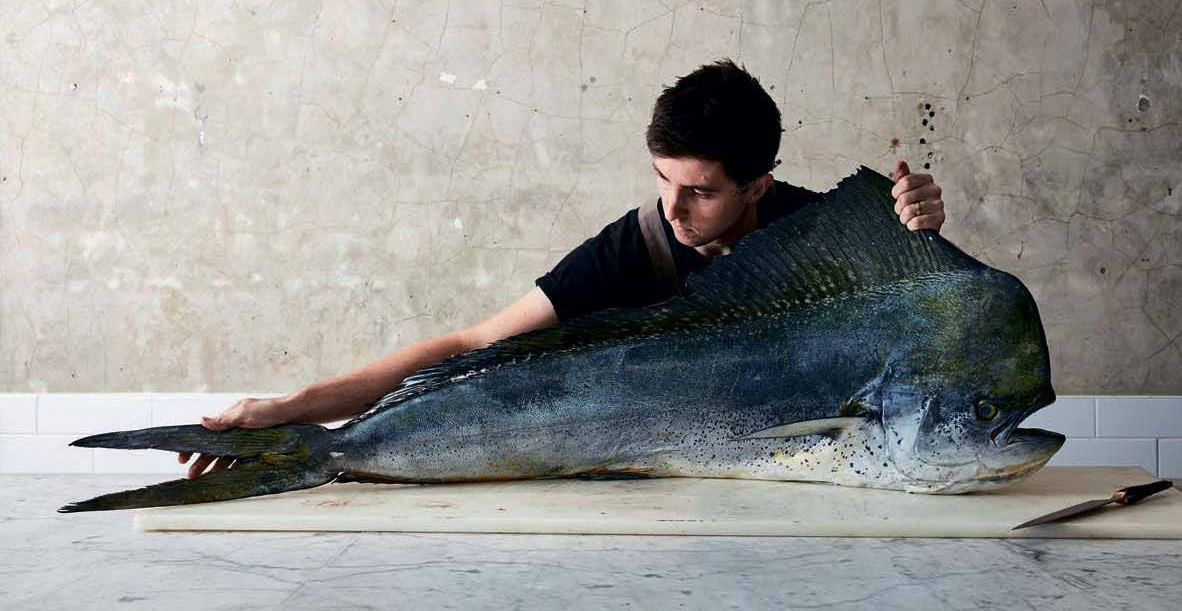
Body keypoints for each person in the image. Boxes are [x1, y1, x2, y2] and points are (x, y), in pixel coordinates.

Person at [180, 59, 947, 478]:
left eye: (701, 192)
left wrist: (918, 235)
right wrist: (294, 408)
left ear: (758, 187)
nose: (673, 208)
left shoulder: (824, 234)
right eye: (661, 179)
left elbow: (925, 335)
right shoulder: (634, 247)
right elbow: (471, 345)